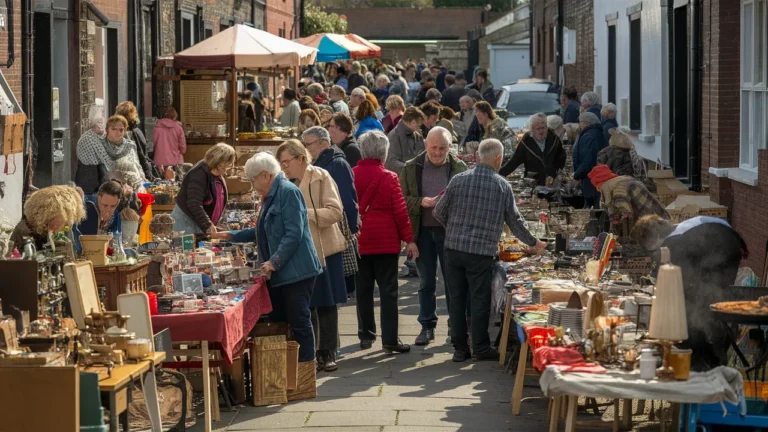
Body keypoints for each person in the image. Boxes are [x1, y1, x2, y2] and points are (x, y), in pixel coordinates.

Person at [435, 139, 546, 362]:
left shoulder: (458, 179)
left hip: (454, 249)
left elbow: (438, 211)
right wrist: (535, 243)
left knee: (456, 300)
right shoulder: (501, 185)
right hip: (481, 252)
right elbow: (515, 222)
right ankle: (480, 348)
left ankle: (459, 349)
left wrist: (454, 229)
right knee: (479, 300)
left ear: (477, 156)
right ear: (498, 159)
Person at [214, 153, 322, 364]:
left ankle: (306, 370)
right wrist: (229, 235)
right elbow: (261, 230)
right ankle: (287, 372)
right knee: (280, 321)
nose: (252, 185)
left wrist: (274, 261)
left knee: (299, 321)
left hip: (296, 272)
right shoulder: (273, 194)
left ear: (265, 175)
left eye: (253, 179)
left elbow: (294, 234)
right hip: (283, 272)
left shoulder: (288, 192)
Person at [631, 214, 748, 371]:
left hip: (723, 252)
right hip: (730, 244)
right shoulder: (682, 229)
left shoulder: (673, 241)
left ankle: (706, 357)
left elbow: (674, 283)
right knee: (708, 300)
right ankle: (711, 350)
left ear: (654, 236)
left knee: (704, 303)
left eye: (648, 247)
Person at [275, 140, 347, 372]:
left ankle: (328, 351)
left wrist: (304, 214)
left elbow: (336, 211)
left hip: (323, 248)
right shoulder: (282, 182)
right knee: (308, 303)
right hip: (298, 252)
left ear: (301, 159)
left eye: (286, 162)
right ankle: (311, 352)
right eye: (281, 163)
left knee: (326, 302)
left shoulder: (321, 176)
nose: (283, 167)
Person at [399, 127, 468, 346]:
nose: (437, 152)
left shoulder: (459, 168)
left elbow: (466, 204)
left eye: (442, 148)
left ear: (450, 147)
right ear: (426, 145)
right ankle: (427, 326)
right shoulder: (412, 168)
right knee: (426, 282)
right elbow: (400, 200)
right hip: (423, 232)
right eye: (433, 147)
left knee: (453, 282)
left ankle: (454, 328)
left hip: (449, 233)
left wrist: (447, 205)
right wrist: (420, 202)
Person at [353, 130, 417, 354]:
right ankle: (390, 340)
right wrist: (409, 239)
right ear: (384, 152)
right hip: (386, 243)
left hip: (360, 242)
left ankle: (365, 335)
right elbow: (400, 212)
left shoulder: (352, 175)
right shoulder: (389, 177)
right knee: (389, 292)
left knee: (363, 291)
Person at [302, 126, 360, 295]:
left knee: (337, 285)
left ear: (322, 143)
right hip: (325, 230)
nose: (305, 149)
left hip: (337, 231)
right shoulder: (320, 162)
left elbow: (348, 201)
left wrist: (352, 232)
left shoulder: (337, 164)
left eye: (307, 144)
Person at [172, 143, 236, 235]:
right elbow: (194, 203)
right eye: (229, 164)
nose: (230, 167)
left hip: (198, 224)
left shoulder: (216, 174)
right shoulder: (199, 174)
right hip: (186, 224)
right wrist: (208, 225)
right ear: (221, 163)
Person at [588, 164, 668, 237]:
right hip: (657, 222)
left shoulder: (619, 190)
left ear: (603, 186)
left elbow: (626, 215)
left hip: (653, 227)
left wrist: (615, 234)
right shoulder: (621, 182)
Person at [9, 185, 86, 255]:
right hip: (30, 231)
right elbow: (57, 220)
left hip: (27, 225)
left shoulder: (58, 196)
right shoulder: (66, 203)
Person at [499, 113, 566, 184]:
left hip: (551, 181)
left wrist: (556, 171)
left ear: (547, 127)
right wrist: (498, 175)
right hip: (533, 182)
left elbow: (561, 156)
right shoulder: (526, 142)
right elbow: (513, 163)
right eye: (538, 129)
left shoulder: (554, 138)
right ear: (532, 129)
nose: (541, 131)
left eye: (543, 128)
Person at [74, 180, 124, 253]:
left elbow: (117, 243)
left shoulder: (115, 215)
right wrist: (100, 225)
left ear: (118, 202)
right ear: (99, 197)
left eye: (113, 206)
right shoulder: (86, 205)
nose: (108, 210)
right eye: (105, 205)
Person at [573, 112, 608, 208]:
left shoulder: (588, 136)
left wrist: (576, 175)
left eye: (580, 123)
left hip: (591, 179)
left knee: (593, 206)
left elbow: (588, 162)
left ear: (584, 123)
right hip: (599, 177)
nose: (579, 126)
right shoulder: (598, 133)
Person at [115, 101, 156, 180]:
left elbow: (141, 156)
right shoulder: (135, 132)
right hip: (137, 175)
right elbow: (143, 156)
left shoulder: (131, 133)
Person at [76, 105, 109, 194]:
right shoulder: (88, 139)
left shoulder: (102, 137)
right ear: (95, 123)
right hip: (91, 189)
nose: (103, 123)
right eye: (100, 121)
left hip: (99, 186)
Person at [386, 106, 426, 174]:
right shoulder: (394, 136)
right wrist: (413, 169)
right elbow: (391, 163)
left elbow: (423, 156)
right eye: (419, 125)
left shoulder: (417, 134)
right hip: (402, 180)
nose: (419, 128)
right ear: (413, 122)